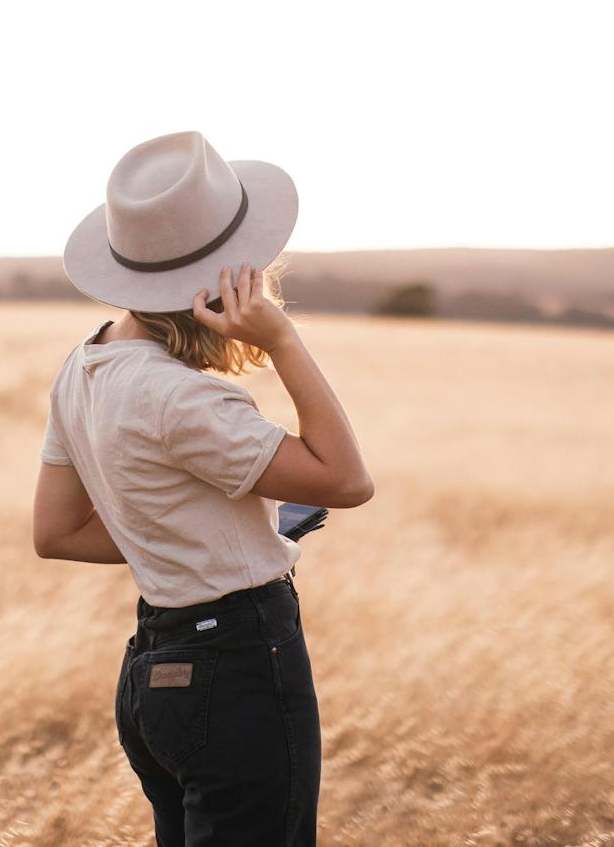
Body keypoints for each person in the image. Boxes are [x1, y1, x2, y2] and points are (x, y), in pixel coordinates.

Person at [34, 130, 374, 846]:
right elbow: (347, 479)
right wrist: (282, 340)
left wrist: (190, 541)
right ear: (229, 276)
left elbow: (56, 533)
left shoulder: (84, 364)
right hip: (238, 668)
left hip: (155, 672)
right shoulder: (179, 399)